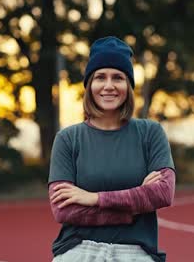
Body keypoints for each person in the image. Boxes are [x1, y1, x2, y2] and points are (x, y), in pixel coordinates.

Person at [48, 36, 176, 262]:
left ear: (128, 85)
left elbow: (163, 192)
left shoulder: (150, 132)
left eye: (118, 77)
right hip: (78, 250)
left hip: (136, 253)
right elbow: (64, 210)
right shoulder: (68, 139)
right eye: (100, 77)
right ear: (89, 85)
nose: (108, 86)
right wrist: (133, 208)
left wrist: (94, 198)